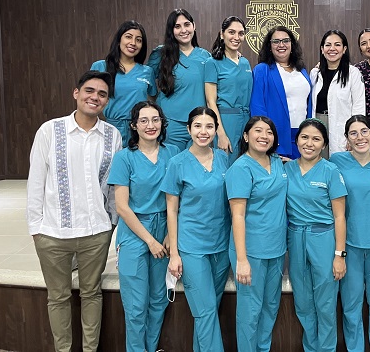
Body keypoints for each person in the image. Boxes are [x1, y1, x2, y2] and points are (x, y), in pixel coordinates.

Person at [27, 70, 122, 352]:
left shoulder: (111, 135)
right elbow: (35, 181)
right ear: (76, 93)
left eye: (102, 94)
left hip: (96, 232)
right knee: (58, 298)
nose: (95, 97)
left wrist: (112, 223)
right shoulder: (50, 130)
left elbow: (112, 186)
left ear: (107, 101)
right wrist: (36, 229)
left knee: (92, 294)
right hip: (54, 234)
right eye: (90, 91)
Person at [107, 101, 179, 352]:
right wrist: (150, 240)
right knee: (136, 305)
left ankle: (151, 348)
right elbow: (122, 207)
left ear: (162, 123)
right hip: (136, 231)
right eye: (144, 120)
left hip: (165, 228)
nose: (151, 125)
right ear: (134, 125)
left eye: (156, 119)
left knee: (159, 299)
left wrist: (170, 233)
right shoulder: (124, 158)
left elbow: (177, 199)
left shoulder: (173, 154)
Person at [162, 107, 231, 351]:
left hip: (221, 245)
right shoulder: (177, 163)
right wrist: (174, 254)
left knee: (210, 310)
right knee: (205, 311)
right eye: (198, 126)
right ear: (189, 129)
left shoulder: (223, 158)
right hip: (192, 247)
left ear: (216, 130)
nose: (204, 132)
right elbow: (171, 209)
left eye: (209, 126)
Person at [284, 118, 348, 352]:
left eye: (316, 139)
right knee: (302, 302)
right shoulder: (286, 169)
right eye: (304, 137)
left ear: (324, 145)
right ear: (297, 140)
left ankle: (327, 349)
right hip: (295, 237)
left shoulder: (331, 171)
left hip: (323, 238)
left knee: (326, 302)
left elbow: (340, 216)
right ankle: (311, 348)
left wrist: (339, 254)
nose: (309, 143)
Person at [225, 116, 288, 352]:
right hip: (250, 251)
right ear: (245, 136)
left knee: (270, 307)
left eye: (269, 132)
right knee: (250, 311)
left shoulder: (278, 163)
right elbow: (237, 216)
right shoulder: (240, 169)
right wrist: (241, 260)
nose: (264, 136)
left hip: (276, 248)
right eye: (258, 131)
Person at [330, 115, 370, 352]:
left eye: (364, 131)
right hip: (350, 245)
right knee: (351, 305)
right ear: (346, 139)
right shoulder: (337, 161)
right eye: (353, 133)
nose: (360, 137)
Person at [147, 8, 211, 150]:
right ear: (171, 30)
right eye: (177, 26)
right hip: (171, 124)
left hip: (199, 124)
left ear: (194, 26)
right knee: (172, 167)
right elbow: (147, 87)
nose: (183, 30)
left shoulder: (206, 57)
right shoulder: (160, 54)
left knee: (195, 168)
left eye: (187, 24)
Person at [91, 20, 157, 147]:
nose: (133, 43)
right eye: (128, 37)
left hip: (140, 130)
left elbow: (153, 99)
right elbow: (91, 98)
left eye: (138, 40)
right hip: (110, 128)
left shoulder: (147, 72)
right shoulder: (100, 66)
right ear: (119, 39)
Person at [250, 26, 313, 159]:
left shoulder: (301, 70)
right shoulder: (262, 70)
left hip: (302, 135)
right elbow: (257, 106)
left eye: (285, 41)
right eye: (276, 41)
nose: (281, 45)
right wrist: (264, 134)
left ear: (292, 44)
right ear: (269, 46)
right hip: (277, 134)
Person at [310, 30, 365, 157]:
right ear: (322, 49)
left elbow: (359, 106)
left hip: (342, 125)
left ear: (344, 49)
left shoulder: (353, 73)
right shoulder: (315, 74)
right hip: (318, 123)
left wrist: (355, 134)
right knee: (317, 163)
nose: (332, 49)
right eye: (328, 45)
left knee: (339, 163)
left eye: (337, 45)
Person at [205, 16, 252, 164]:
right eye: (231, 32)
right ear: (222, 34)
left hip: (246, 119)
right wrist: (221, 133)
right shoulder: (212, 63)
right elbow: (210, 101)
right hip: (226, 120)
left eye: (240, 33)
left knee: (244, 165)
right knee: (226, 164)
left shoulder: (245, 62)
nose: (236, 37)